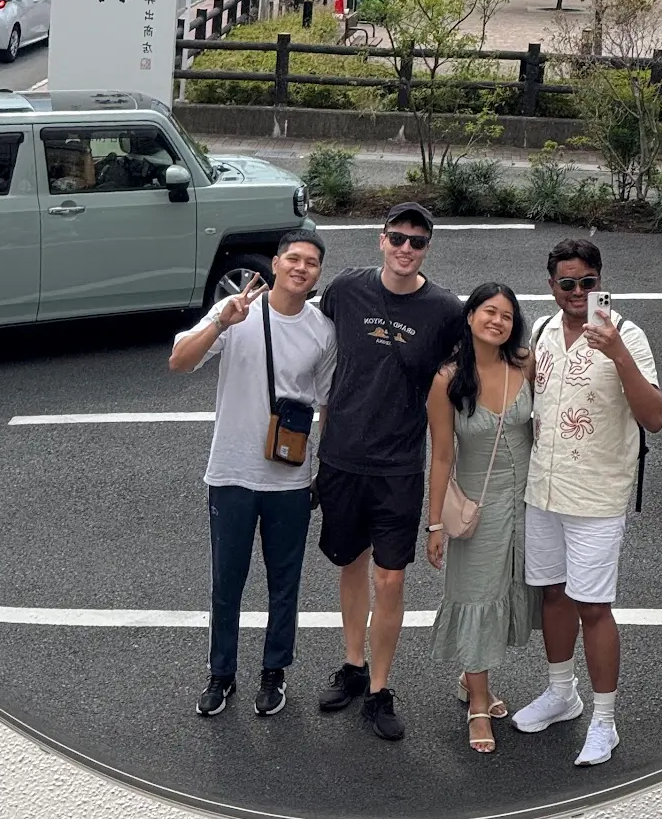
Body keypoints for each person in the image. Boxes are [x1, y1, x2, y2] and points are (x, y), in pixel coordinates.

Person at [169, 232, 336, 720]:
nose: (301, 268)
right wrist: (222, 320)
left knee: (285, 582)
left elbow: (327, 404)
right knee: (227, 582)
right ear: (276, 263)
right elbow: (179, 361)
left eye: (311, 262)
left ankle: (273, 672)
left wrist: (322, 467)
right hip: (231, 472)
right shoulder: (236, 310)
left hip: (290, 478)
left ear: (318, 273)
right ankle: (220, 674)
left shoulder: (322, 331)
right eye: (293, 259)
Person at [513, 238, 662, 767]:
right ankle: (562, 693)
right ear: (551, 285)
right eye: (567, 283)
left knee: (594, 607)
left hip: (598, 495)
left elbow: (654, 417)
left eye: (587, 282)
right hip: (543, 489)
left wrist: (617, 354)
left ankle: (605, 720)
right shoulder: (541, 331)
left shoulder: (629, 335)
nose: (578, 292)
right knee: (553, 595)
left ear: (601, 282)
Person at [315, 204, 464, 740]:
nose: (406, 249)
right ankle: (353, 666)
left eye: (417, 242)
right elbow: (312, 344)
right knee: (350, 563)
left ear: (428, 249)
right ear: (381, 240)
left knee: (391, 577)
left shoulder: (444, 309)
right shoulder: (345, 289)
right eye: (397, 238)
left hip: (399, 465)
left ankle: (380, 690)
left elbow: (472, 365)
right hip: (341, 456)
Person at [425, 284, 540, 753]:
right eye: (489, 312)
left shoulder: (525, 364)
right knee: (475, 596)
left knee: (512, 591)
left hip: (527, 504)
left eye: (507, 316)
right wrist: (435, 523)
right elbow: (441, 457)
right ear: (470, 316)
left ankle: (473, 680)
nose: (498, 321)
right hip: (477, 508)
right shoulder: (447, 379)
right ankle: (477, 703)